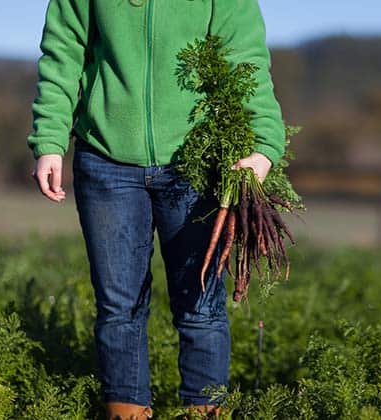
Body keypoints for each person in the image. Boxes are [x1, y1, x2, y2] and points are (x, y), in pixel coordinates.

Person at [27, 1, 285, 419]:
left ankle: (203, 413)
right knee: (119, 308)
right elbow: (64, 52)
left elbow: (246, 59)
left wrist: (264, 143)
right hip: (105, 161)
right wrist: (50, 139)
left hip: (195, 164)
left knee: (201, 305)